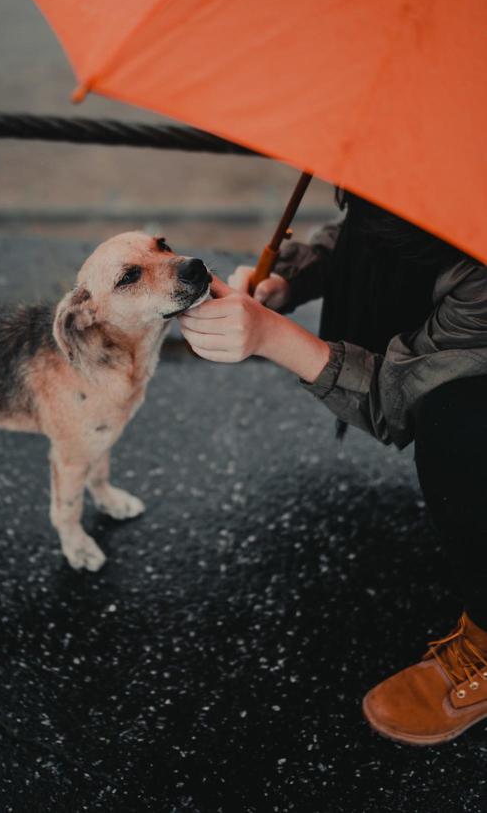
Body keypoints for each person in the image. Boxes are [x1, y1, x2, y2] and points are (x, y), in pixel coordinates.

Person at [179, 191, 487, 746]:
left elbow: (398, 401)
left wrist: (272, 335)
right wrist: (288, 280)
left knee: (456, 422)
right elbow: (368, 234)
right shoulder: (428, 176)